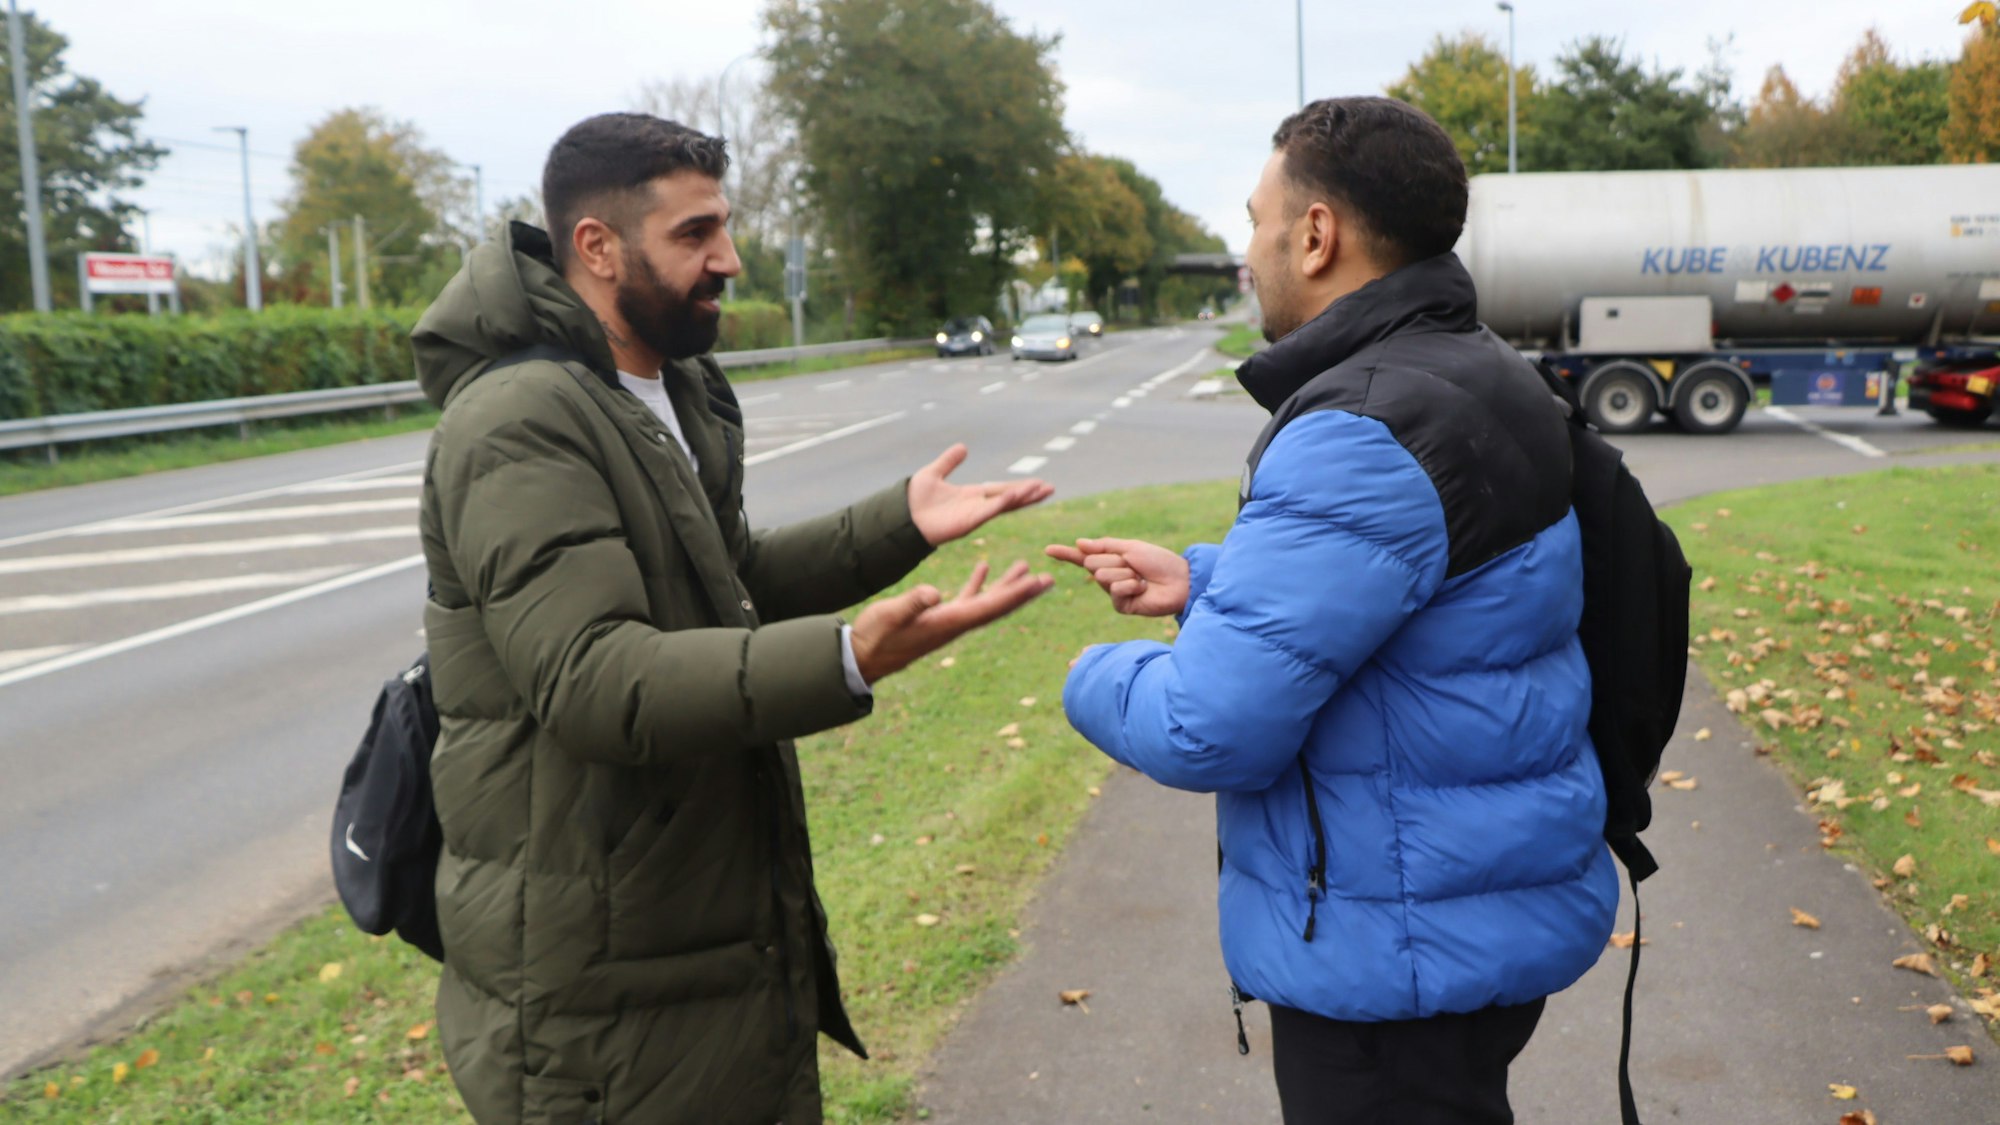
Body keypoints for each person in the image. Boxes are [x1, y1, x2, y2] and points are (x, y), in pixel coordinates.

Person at [413, 112, 1054, 1125]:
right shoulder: (518, 420)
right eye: (694, 234)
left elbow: (728, 578)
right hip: (598, 974)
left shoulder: (675, 388)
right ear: (596, 247)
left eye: (724, 227)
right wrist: (844, 659)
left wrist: (899, 524)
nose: (729, 258)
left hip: (692, 924)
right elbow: (594, 680)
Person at [1048, 96, 1618, 1124]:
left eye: (1255, 218)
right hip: (1464, 916)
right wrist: (1208, 584)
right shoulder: (1476, 370)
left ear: (1314, 235)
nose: (1246, 247)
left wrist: (1085, 677)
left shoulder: (1359, 427)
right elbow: (1434, 604)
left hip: (1390, 952)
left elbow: (1203, 725)